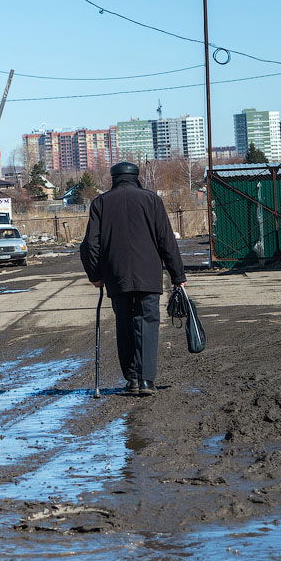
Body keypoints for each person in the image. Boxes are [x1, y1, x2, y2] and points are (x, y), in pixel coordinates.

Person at [79, 162, 186, 396]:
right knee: (147, 322)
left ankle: (131, 379)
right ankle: (146, 380)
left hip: (117, 275)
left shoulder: (101, 203)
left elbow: (89, 246)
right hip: (148, 273)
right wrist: (178, 275)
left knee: (124, 324)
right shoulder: (151, 200)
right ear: (136, 178)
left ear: (113, 179)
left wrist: (95, 275)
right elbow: (166, 240)